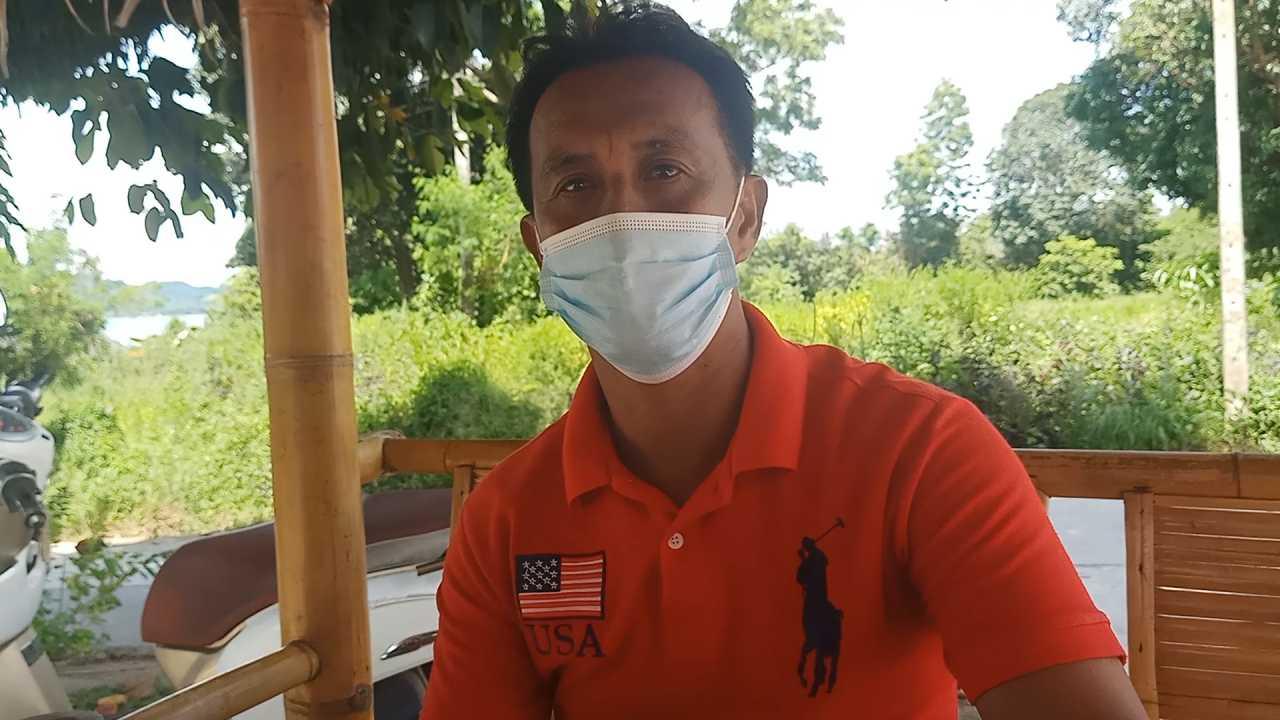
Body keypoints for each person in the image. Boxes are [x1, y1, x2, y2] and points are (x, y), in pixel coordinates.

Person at [421, 3, 1147, 718]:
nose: (623, 221)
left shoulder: (919, 451)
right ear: (539, 246)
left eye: (665, 169)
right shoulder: (507, 520)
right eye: (575, 185)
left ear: (745, 217)